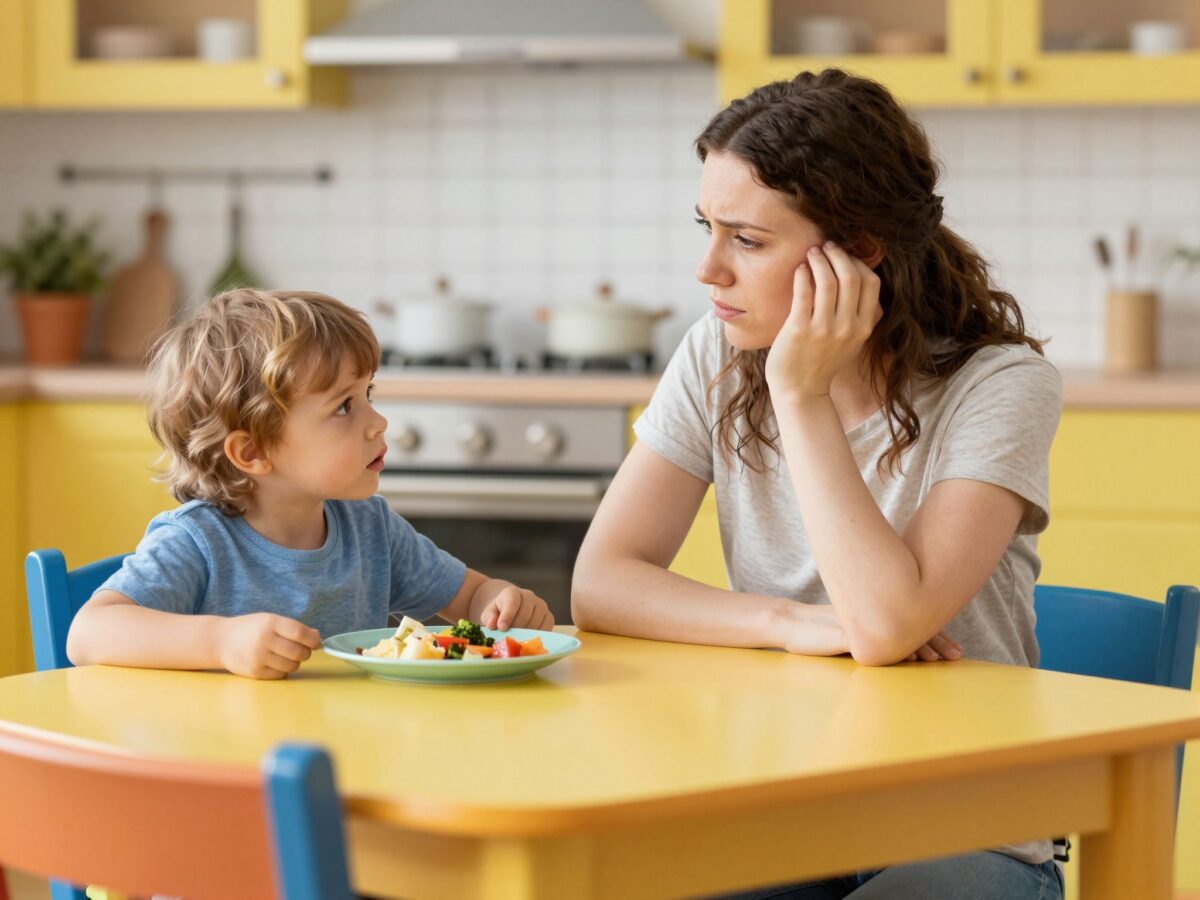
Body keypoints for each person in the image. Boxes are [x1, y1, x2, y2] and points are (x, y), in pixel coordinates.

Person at [571, 69, 1063, 898]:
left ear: (859, 249)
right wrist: (788, 622)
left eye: (748, 241)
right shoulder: (716, 354)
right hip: (788, 804)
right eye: (707, 228)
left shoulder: (1001, 384)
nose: (708, 271)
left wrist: (799, 394)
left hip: (964, 819)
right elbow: (602, 583)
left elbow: (881, 628)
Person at [67, 289, 553, 679]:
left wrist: (498, 603)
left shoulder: (371, 529)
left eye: (369, 394)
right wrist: (222, 642)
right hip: (227, 768)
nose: (378, 421)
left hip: (348, 754)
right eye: (344, 406)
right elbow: (89, 633)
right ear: (253, 452)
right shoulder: (197, 541)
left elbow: (468, 598)